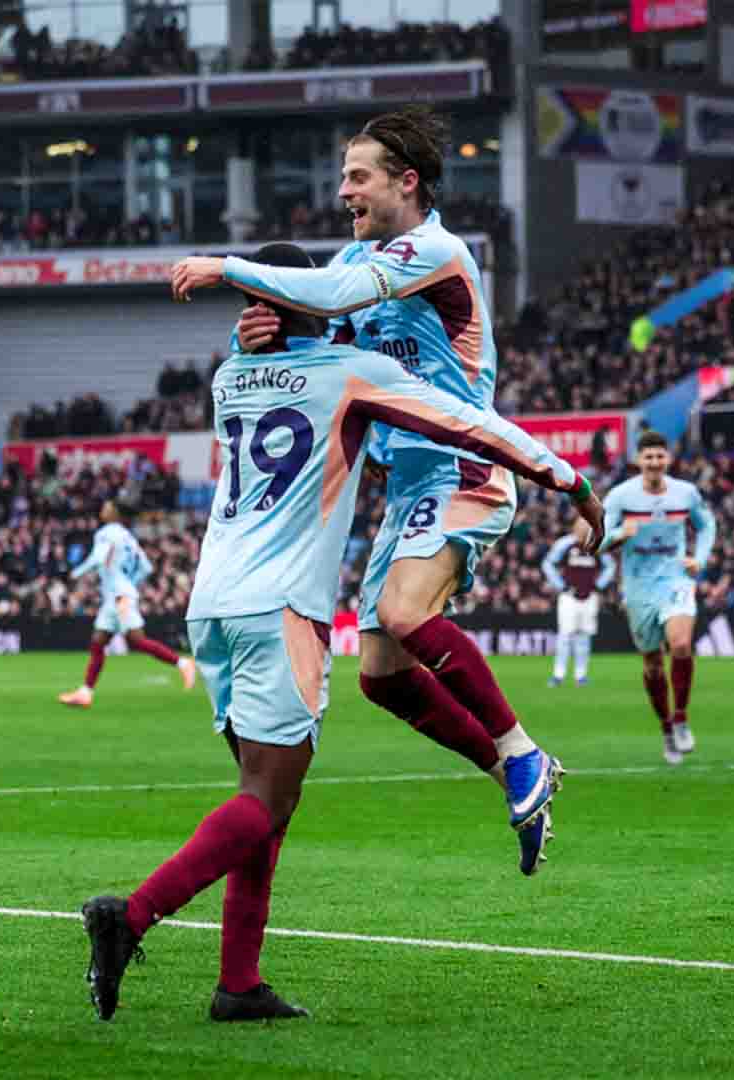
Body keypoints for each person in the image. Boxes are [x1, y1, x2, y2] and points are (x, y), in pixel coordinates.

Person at [83, 242, 603, 1023]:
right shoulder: (353, 372)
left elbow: (269, 355)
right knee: (264, 798)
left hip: (211, 603)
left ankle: (239, 984)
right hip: (283, 607)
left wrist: (250, 331)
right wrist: (567, 478)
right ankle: (130, 918)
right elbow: (469, 424)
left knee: (269, 799)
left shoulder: (230, 378)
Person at [169, 107, 566, 863]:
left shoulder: (436, 251)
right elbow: (305, 335)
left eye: (358, 176)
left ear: (406, 182)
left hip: (462, 465)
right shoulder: (357, 269)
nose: (343, 190)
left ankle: (518, 748)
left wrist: (225, 267)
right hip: (411, 478)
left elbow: (323, 301)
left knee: (400, 612)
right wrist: (247, 334)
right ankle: (513, 773)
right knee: (382, 677)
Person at [586, 432, 716, 765]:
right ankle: (667, 728)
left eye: (660, 456)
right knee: (653, 663)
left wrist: (698, 558)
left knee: (682, 645)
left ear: (668, 459)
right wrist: (618, 535)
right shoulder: (620, 496)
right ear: (638, 460)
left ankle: (682, 717)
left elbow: (707, 525)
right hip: (638, 587)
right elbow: (594, 543)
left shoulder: (685, 493)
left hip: (675, 579)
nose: (655, 463)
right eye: (649, 457)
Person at [58, 498, 196, 707]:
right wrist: (128, 583)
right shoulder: (129, 538)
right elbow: (146, 568)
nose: (102, 509)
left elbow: (97, 558)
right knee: (99, 641)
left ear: (116, 513)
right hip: (118, 595)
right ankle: (85, 692)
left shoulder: (106, 532)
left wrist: (74, 574)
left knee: (136, 640)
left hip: (119, 596)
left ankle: (183, 663)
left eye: (107, 507)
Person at [541, 531, 615, 687]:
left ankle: (581, 675)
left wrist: (598, 585)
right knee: (565, 636)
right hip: (569, 596)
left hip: (589, 597)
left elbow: (610, 566)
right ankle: (558, 675)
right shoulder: (565, 544)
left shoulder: (598, 543)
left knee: (584, 636)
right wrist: (561, 586)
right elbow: (548, 563)